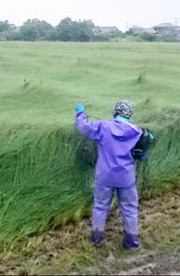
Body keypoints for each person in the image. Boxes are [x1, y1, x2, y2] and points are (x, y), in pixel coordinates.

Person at [74, 100, 143, 249]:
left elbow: (84, 127)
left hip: (105, 176)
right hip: (126, 177)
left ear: (115, 112)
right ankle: (132, 242)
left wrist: (80, 113)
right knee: (130, 209)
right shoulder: (137, 132)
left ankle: (97, 239)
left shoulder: (104, 127)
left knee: (100, 206)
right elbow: (142, 155)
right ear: (129, 114)